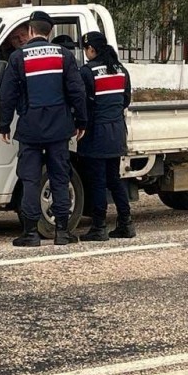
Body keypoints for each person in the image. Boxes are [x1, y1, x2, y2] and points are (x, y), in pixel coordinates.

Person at [0, 11, 88, 247]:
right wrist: (81, 121)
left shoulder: (18, 57)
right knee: (60, 177)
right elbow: (77, 91)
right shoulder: (64, 55)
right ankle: (62, 232)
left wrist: (4, 124)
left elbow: (8, 95)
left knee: (30, 179)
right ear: (50, 32)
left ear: (30, 31)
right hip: (59, 128)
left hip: (30, 128)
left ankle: (30, 233)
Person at [78, 31, 136, 241]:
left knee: (97, 181)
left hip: (96, 133)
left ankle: (99, 227)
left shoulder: (88, 72)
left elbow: (83, 103)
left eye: (86, 49)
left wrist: (80, 125)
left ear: (91, 49)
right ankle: (126, 223)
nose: (86, 53)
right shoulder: (121, 70)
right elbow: (125, 100)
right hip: (117, 132)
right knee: (114, 179)